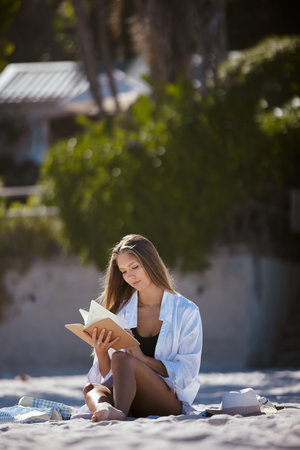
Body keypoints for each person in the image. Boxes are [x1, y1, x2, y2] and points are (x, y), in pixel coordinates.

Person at [81, 234, 202, 422]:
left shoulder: (186, 311)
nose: (130, 276)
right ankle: (106, 408)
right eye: (123, 271)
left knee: (123, 358)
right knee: (91, 388)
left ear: (150, 262)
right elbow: (109, 377)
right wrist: (101, 351)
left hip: (167, 401)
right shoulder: (120, 311)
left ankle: (118, 412)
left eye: (134, 267)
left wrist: (142, 359)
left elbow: (187, 373)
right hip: (131, 400)